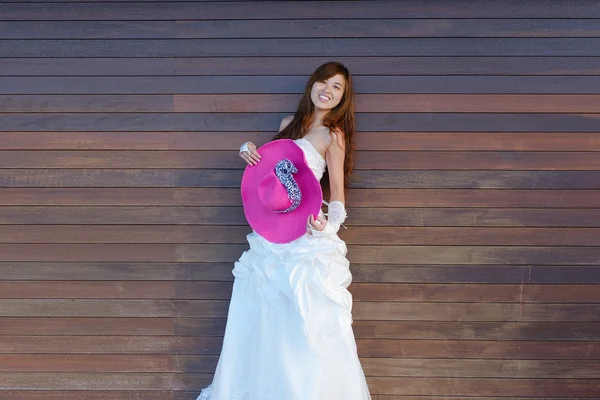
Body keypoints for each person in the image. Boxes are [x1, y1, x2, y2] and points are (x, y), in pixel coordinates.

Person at [197, 61, 371, 399]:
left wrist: (327, 226)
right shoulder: (287, 125)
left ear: (342, 99)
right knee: (263, 319)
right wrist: (249, 151)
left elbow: (337, 197)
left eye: (337, 88)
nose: (328, 90)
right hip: (271, 235)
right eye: (324, 82)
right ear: (312, 85)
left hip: (307, 236)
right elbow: (268, 173)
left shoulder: (333, 135)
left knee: (303, 323)